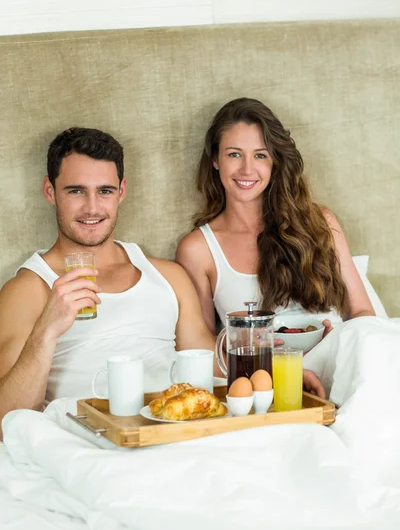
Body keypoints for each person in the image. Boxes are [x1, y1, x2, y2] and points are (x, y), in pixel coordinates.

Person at [0, 126, 324, 440]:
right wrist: (47, 329)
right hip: (94, 439)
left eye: (105, 191)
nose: (92, 207)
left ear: (121, 192)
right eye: (76, 191)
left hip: (178, 430)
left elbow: (211, 366)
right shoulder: (29, 289)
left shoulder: (166, 276)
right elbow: (6, 422)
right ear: (49, 191)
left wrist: (278, 376)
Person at [176, 97, 375, 337]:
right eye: (234, 155)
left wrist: (339, 340)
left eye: (260, 155)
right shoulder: (198, 249)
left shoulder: (320, 222)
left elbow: (363, 312)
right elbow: (204, 344)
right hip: (268, 369)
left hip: (340, 353)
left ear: (274, 161)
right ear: (215, 160)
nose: (247, 169)